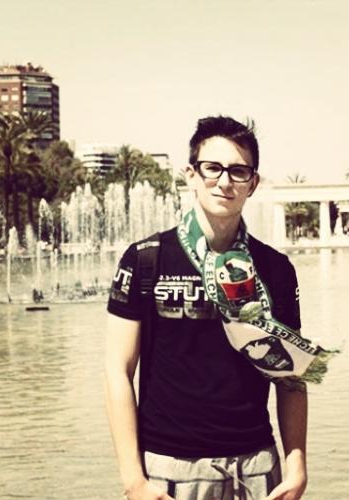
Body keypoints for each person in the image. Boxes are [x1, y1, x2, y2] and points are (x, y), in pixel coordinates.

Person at [105, 116, 308, 500]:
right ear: (191, 175)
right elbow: (118, 370)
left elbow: (290, 376)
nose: (224, 181)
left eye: (238, 171)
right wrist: (133, 479)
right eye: (212, 168)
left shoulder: (275, 269)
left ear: (253, 183)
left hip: (256, 468)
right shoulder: (145, 260)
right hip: (168, 470)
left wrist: (296, 464)